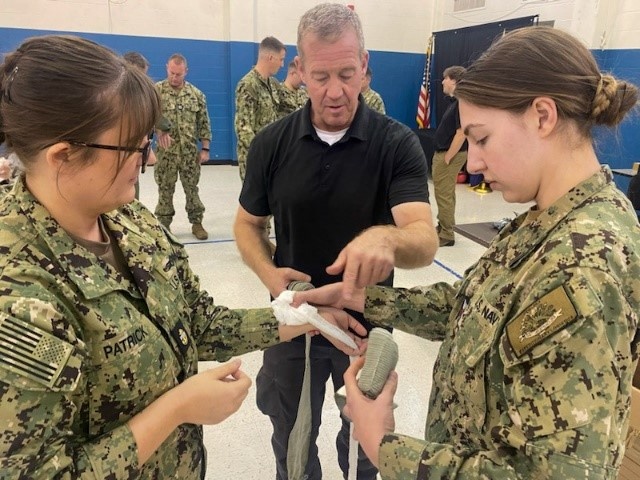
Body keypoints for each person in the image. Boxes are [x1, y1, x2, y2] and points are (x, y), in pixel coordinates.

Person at [0, 34, 365, 479]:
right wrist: (175, 408)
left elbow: (196, 321)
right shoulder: (19, 295)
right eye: (133, 147)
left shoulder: (129, 220)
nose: (148, 158)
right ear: (63, 156)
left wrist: (306, 317)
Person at [295, 26, 640, 478]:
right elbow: (476, 309)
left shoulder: (583, 265)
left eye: (481, 138)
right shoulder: (549, 220)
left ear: (542, 116)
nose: (472, 162)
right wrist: (360, 299)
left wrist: (384, 445)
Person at [233, 4, 438, 479]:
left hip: (366, 329)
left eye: (347, 73)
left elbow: (423, 239)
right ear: (299, 70)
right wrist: (272, 278)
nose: (335, 91)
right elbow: (247, 225)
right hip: (293, 322)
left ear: (365, 67)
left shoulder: (396, 144)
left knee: (367, 445)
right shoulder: (272, 142)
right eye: (321, 75)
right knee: (291, 436)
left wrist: (386, 240)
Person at [154, 53, 211, 240]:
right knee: (165, 189)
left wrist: (205, 149)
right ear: (166, 68)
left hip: (189, 154)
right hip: (166, 153)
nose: (174, 77)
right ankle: (163, 225)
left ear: (186, 71)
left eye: (179, 74)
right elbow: (146, 117)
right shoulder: (156, 92)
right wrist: (158, 129)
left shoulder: (196, 95)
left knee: (192, 188)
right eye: (172, 73)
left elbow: (204, 122)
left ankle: (197, 223)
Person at [234, 36, 286, 182]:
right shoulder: (248, 85)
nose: (282, 65)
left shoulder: (273, 84)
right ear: (270, 57)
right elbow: (243, 128)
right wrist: (263, 153)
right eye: (281, 59)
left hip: (272, 156)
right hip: (255, 158)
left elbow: (290, 105)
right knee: (254, 203)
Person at [431, 65, 467, 247]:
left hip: (450, 153)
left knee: (443, 193)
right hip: (446, 152)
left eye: (445, 78)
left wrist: (448, 157)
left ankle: (447, 233)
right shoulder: (456, 102)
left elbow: (462, 133)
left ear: (454, 80)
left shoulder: (462, 103)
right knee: (445, 192)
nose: (443, 82)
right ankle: (444, 225)